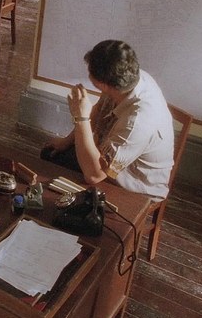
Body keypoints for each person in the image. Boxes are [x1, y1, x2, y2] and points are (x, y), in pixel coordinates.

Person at [40, 40, 175, 200]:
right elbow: (98, 112)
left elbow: (94, 176)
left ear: (101, 84)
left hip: (134, 188)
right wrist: (66, 141)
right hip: (108, 161)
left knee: (58, 187)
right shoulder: (127, 79)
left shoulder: (138, 122)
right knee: (49, 154)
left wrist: (80, 117)